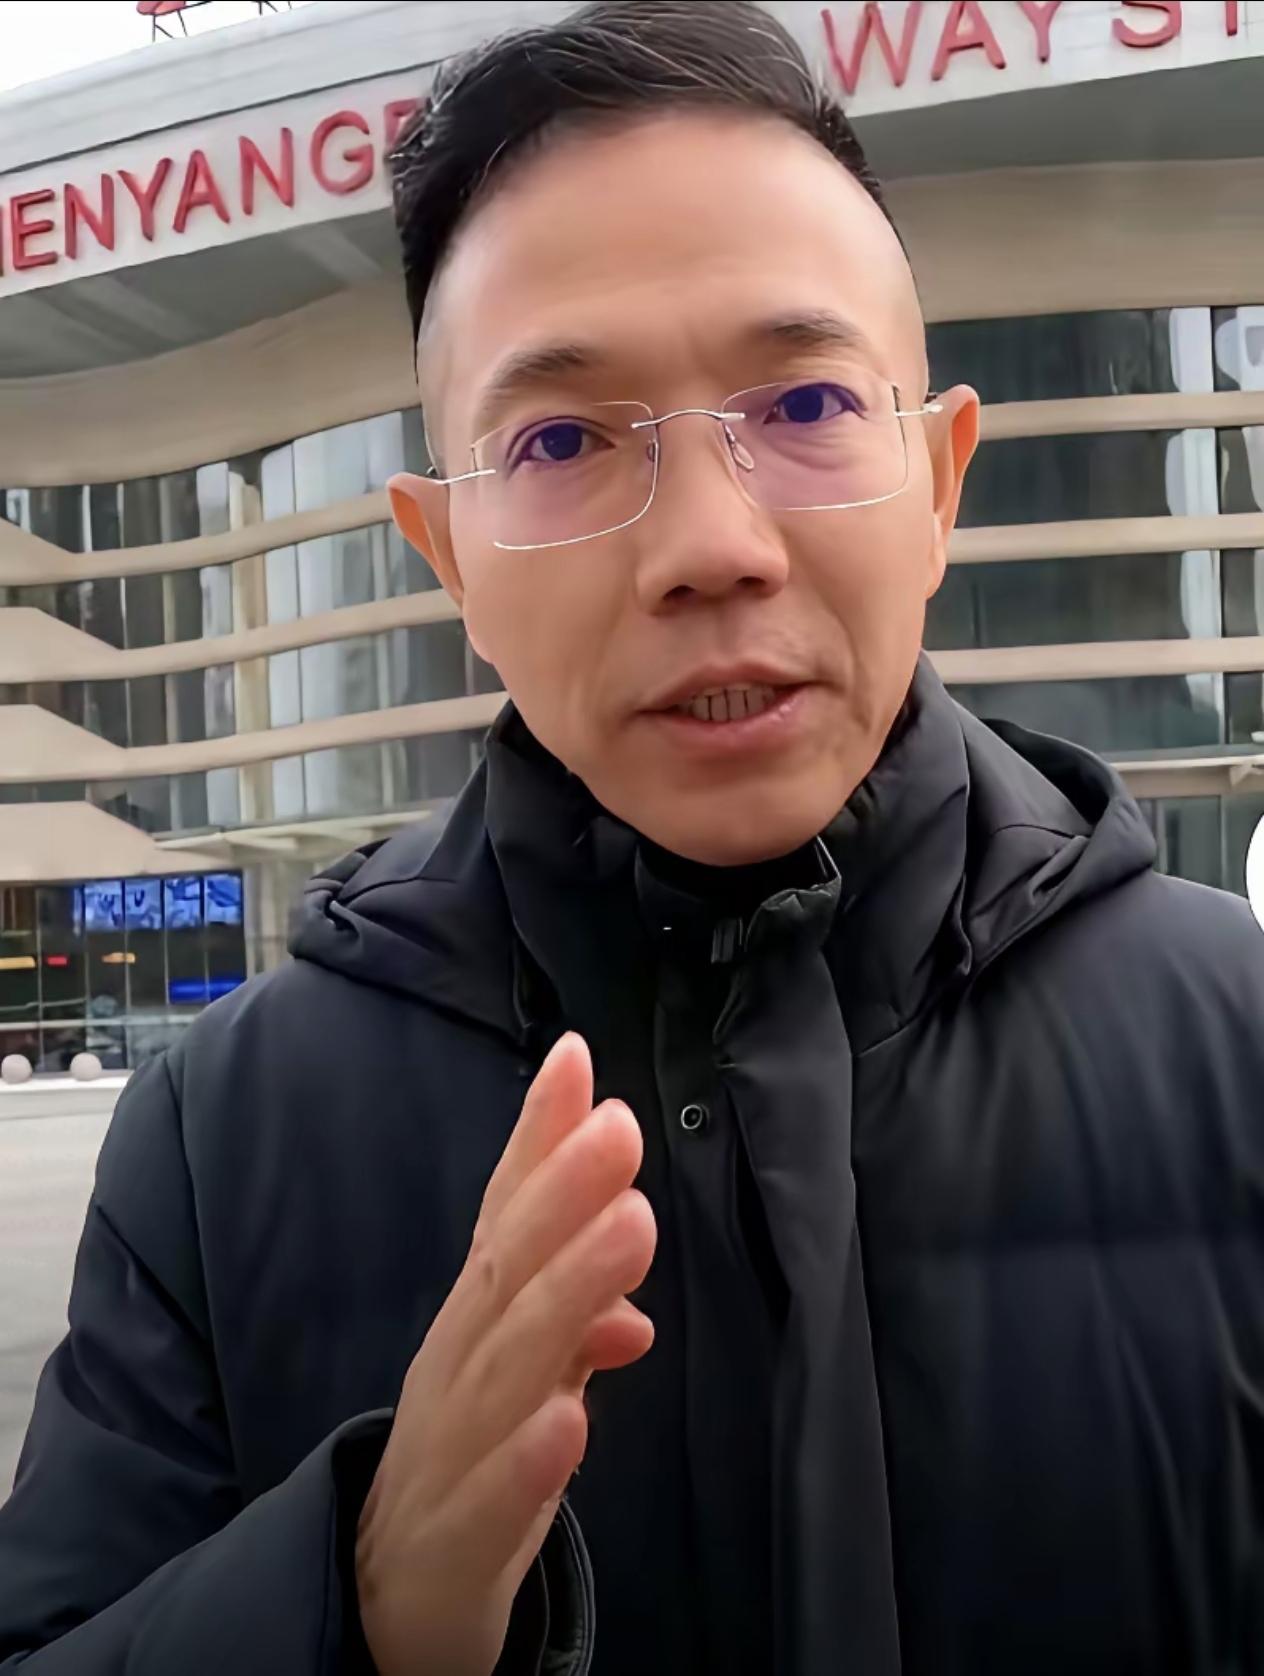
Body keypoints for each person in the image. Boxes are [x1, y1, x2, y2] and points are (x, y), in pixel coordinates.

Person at [2, 3, 1263, 1672]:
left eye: (805, 402)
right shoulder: (223, 1140)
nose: (711, 546)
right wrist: (357, 1596)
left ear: (940, 482)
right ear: (449, 559)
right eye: (561, 441)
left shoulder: (1236, 1040)